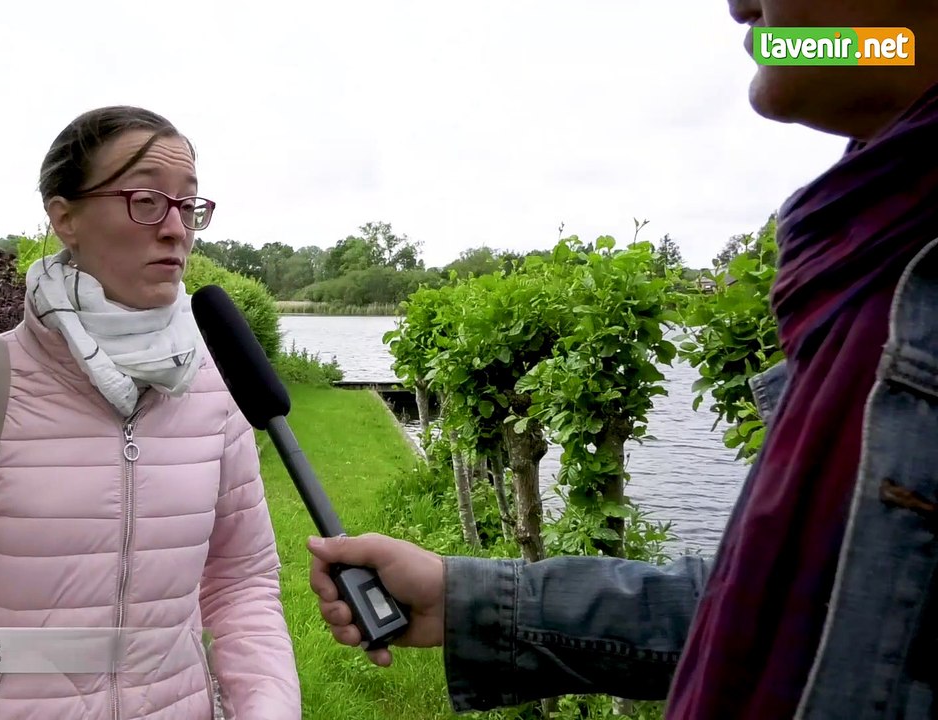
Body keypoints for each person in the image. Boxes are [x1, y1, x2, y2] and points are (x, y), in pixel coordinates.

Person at [309, 1, 938, 718]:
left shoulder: (884, 268)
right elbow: (788, 606)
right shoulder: (869, 264)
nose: (740, 5)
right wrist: (464, 598)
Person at [0, 106, 302, 720]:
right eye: (146, 200)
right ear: (65, 218)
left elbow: (242, 584)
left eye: (187, 205)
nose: (176, 229)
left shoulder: (213, 386)